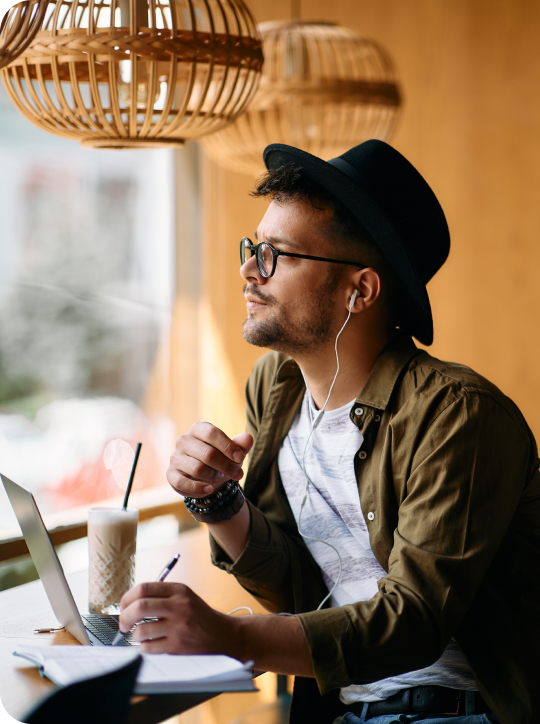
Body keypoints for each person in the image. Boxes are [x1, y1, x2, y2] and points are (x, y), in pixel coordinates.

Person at [119, 141, 540, 724]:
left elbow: (413, 621)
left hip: (458, 710)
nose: (248, 269)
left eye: (276, 255)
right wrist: (218, 503)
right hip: (343, 708)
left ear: (359, 291)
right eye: (252, 248)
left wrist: (229, 636)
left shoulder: (459, 417)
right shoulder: (275, 386)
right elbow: (303, 589)